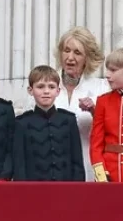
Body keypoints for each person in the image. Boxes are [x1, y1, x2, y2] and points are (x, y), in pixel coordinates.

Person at [24, 27, 108, 180]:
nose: (70, 57)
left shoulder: (101, 88)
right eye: (66, 50)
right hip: (51, 172)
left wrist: (95, 112)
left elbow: (113, 131)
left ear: (87, 57)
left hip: (90, 168)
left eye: (77, 53)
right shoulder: (45, 87)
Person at [13, 65, 84, 181]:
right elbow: (19, 165)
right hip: (33, 191)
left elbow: (77, 162)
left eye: (51, 87)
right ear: (30, 90)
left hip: (65, 190)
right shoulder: (22, 123)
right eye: (40, 87)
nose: (46, 91)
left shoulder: (69, 120)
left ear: (58, 91)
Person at [90, 49, 123, 182]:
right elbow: (96, 143)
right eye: (107, 70)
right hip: (110, 172)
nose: (107, 75)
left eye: (113, 70)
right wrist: (101, 174)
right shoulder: (103, 101)